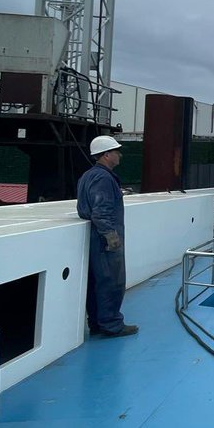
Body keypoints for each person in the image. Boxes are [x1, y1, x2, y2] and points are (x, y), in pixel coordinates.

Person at [76, 135, 138, 338]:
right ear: (106, 154)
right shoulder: (103, 178)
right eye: (116, 151)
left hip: (95, 238)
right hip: (105, 239)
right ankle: (112, 325)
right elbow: (100, 211)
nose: (119, 154)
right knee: (112, 282)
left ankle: (96, 323)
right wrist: (111, 237)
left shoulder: (88, 176)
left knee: (96, 283)